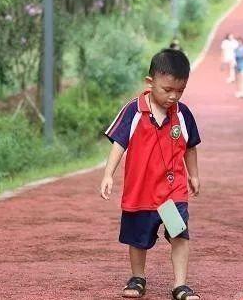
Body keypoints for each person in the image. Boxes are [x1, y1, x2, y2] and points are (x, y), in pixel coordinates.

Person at [101, 48, 201, 300]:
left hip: (170, 194)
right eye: (167, 90)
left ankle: (180, 284)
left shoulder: (182, 114)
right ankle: (138, 277)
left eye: (180, 90)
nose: (173, 96)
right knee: (138, 239)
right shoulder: (134, 111)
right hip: (141, 193)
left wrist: (194, 175)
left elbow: (190, 147)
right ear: (150, 83)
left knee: (179, 233)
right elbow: (119, 144)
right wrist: (108, 174)